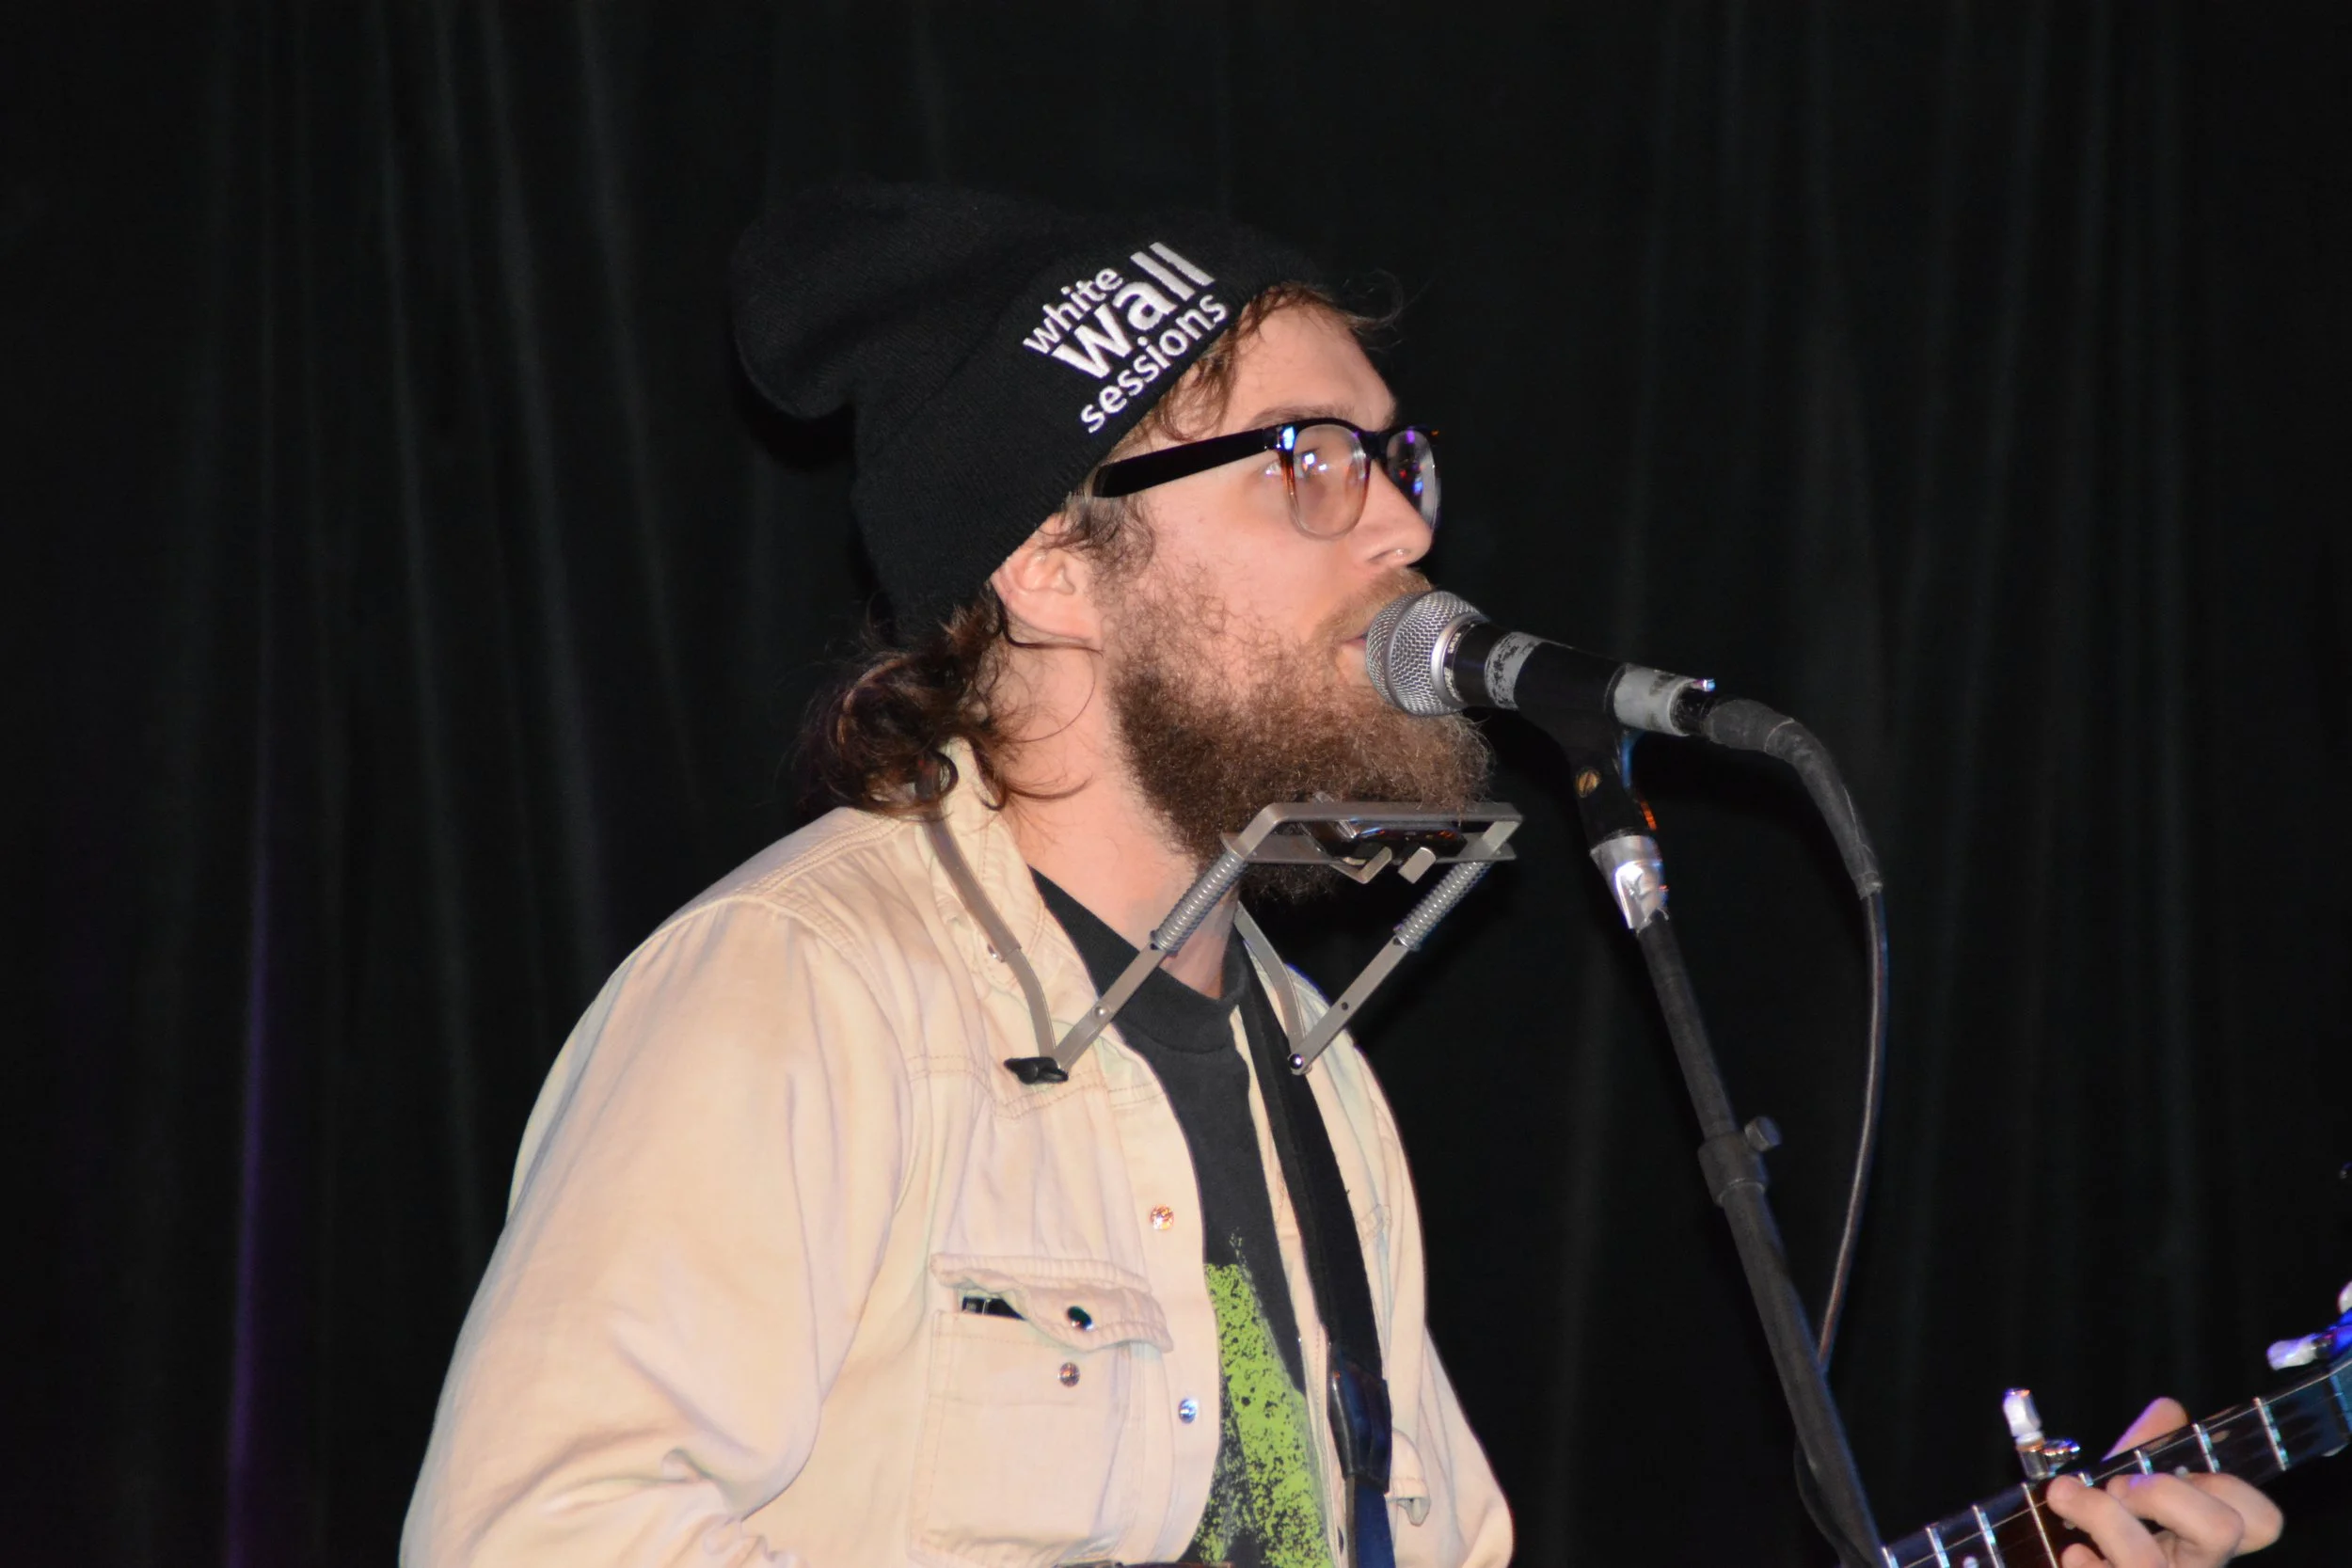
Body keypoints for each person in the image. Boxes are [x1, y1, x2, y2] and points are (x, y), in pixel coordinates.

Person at [402, 182, 2282, 1568]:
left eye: (1398, 461)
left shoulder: (1315, 1070)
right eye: (1304, 460)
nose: (1397, 521)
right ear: (1050, 562)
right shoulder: (798, 992)